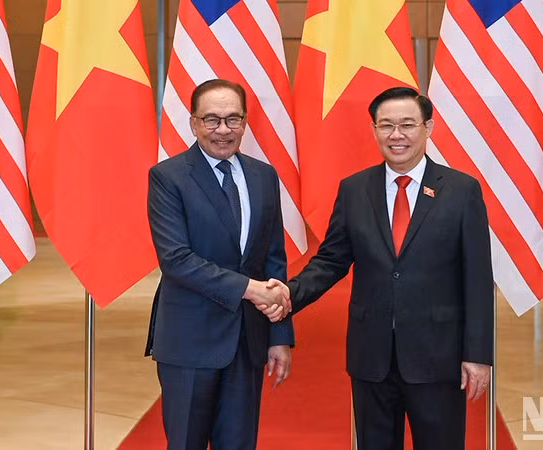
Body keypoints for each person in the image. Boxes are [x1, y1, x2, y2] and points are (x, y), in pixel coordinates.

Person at [279, 87, 493, 449]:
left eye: (408, 125)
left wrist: (478, 355)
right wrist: (287, 295)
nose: (397, 135)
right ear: (374, 130)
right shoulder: (354, 190)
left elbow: (477, 279)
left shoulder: (461, 190)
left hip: (437, 356)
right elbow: (331, 260)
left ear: (428, 128)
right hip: (371, 357)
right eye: (386, 125)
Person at [145, 79, 293, 450]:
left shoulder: (263, 176)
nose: (223, 130)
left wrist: (279, 336)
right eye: (211, 120)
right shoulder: (168, 177)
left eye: (233, 119)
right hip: (189, 341)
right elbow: (176, 259)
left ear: (244, 123)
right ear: (193, 123)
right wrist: (249, 289)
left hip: (247, 341)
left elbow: (273, 258)